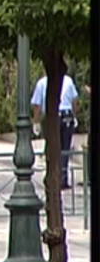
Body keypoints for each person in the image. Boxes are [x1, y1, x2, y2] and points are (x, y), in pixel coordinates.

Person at [31, 61, 79, 189]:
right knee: (65, 149)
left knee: (52, 148)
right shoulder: (68, 81)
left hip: (52, 117)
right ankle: (62, 178)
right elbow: (75, 100)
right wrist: (74, 116)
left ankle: (53, 177)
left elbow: (37, 105)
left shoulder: (42, 83)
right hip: (67, 116)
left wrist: (36, 121)